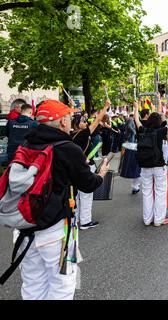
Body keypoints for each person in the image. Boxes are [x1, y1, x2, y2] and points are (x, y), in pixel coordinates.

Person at [18, 100, 108, 300]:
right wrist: (101, 174)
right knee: (62, 283)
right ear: (62, 122)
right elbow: (88, 184)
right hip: (55, 227)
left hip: (24, 224)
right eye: (68, 117)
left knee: (32, 282)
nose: (70, 121)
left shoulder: (26, 143)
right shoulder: (67, 148)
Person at [134, 100, 168, 227]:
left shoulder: (143, 130)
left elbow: (137, 120)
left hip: (145, 166)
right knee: (160, 192)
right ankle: (159, 220)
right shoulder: (161, 131)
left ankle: (147, 219)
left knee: (147, 192)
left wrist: (135, 108)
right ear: (159, 122)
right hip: (158, 165)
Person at [71, 99, 110, 230]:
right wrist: (105, 107)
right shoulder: (82, 134)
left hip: (73, 168)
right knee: (86, 194)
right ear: (77, 124)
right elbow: (97, 120)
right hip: (85, 166)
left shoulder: (68, 134)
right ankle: (85, 221)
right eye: (82, 121)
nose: (85, 123)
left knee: (75, 195)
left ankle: (75, 220)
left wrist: (72, 106)